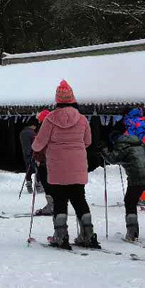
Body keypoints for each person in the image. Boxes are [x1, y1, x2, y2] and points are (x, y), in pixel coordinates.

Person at [32, 80, 99, 249]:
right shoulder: (82, 119)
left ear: (57, 100)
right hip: (77, 167)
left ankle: (61, 236)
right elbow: (88, 141)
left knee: (60, 201)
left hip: (57, 168)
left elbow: (38, 143)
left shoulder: (50, 119)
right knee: (79, 200)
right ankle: (88, 235)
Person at [103, 118, 145, 242]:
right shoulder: (139, 143)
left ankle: (132, 233)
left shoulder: (121, 145)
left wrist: (103, 150)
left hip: (137, 176)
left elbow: (112, 159)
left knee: (130, 202)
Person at [33, 110, 55, 215]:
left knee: (47, 183)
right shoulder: (54, 128)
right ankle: (53, 204)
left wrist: (37, 157)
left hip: (45, 161)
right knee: (50, 183)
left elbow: (40, 146)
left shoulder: (44, 129)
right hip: (52, 160)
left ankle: (52, 205)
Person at [19, 117, 39, 194]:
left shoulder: (22, 132)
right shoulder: (33, 133)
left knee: (28, 170)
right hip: (32, 153)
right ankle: (38, 185)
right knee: (37, 170)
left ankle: (29, 185)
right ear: (33, 125)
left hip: (25, 153)